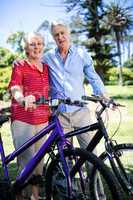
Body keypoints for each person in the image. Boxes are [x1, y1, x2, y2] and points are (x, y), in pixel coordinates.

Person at [42, 21, 108, 200]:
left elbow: (93, 76)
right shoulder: (47, 57)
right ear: (53, 37)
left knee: (91, 158)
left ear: (68, 33)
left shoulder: (81, 54)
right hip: (60, 116)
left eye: (63, 33)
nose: (60, 37)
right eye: (56, 35)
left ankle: (98, 196)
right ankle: (70, 195)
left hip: (81, 113)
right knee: (65, 160)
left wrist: (102, 94)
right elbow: (35, 71)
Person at [8, 32, 50, 200]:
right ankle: (21, 196)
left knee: (39, 162)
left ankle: (35, 196)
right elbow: (15, 87)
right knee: (26, 161)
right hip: (23, 119)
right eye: (32, 44)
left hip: (43, 119)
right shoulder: (20, 65)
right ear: (25, 47)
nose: (37, 47)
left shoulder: (46, 67)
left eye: (39, 43)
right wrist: (22, 98)